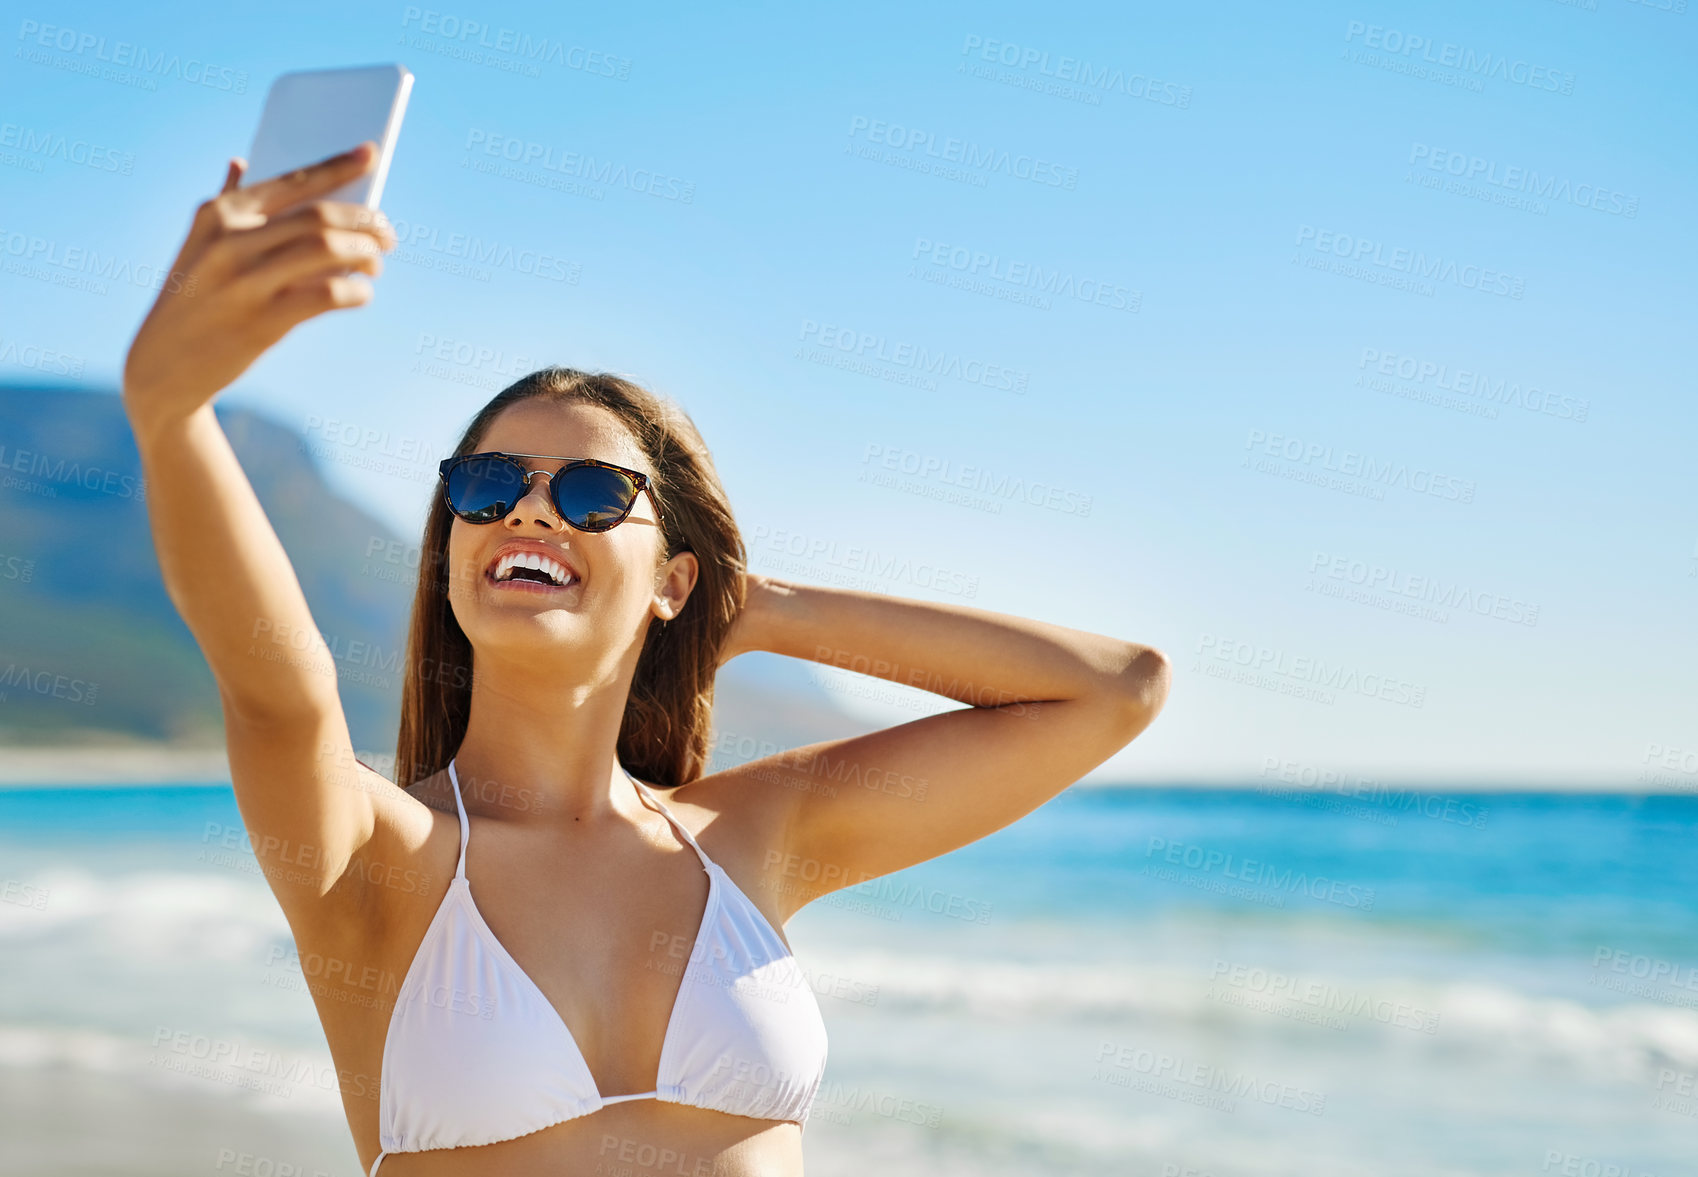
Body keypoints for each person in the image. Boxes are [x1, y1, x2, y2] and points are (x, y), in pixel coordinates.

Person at [121, 141, 1173, 1176]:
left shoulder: (751, 839)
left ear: (671, 580)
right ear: (452, 543)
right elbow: (278, 693)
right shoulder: (381, 857)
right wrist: (173, 416)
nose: (532, 505)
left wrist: (753, 607)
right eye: (490, 485)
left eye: (590, 495)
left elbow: (1111, 691)